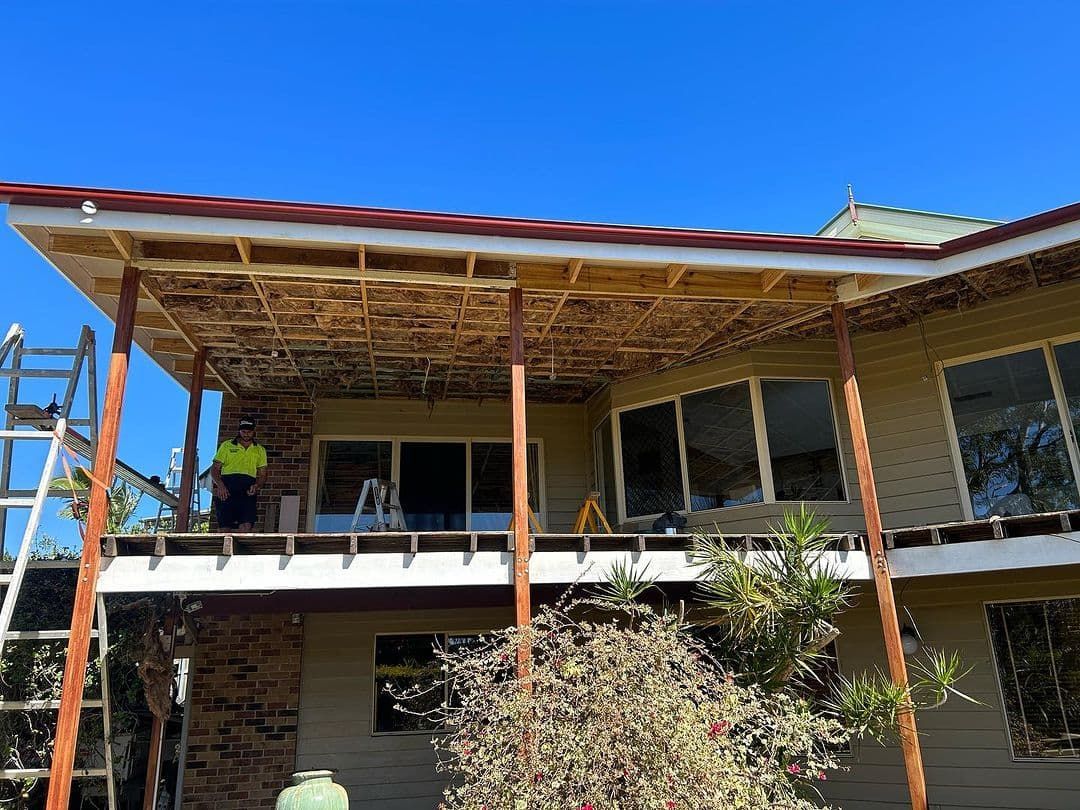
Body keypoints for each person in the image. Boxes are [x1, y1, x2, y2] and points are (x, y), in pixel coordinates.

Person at [210, 417, 268, 532]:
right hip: (228, 487)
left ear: (254, 431)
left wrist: (257, 486)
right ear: (239, 431)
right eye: (243, 431)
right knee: (224, 526)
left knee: (246, 525)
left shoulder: (259, 450)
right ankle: (223, 549)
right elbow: (215, 469)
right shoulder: (227, 445)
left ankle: (241, 549)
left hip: (247, 488)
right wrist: (220, 486)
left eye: (249, 432)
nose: (246, 434)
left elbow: (263, 474)